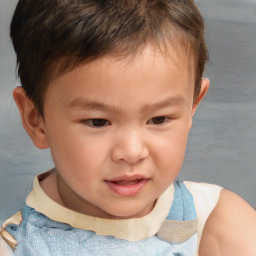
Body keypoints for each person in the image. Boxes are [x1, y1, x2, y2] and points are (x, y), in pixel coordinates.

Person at [1, 0, 256, 255]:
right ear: (36, 120)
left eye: (159, 119)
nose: (132, 152)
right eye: (98, 122)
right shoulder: (17, 247)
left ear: (192, 105)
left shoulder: (218, 224)